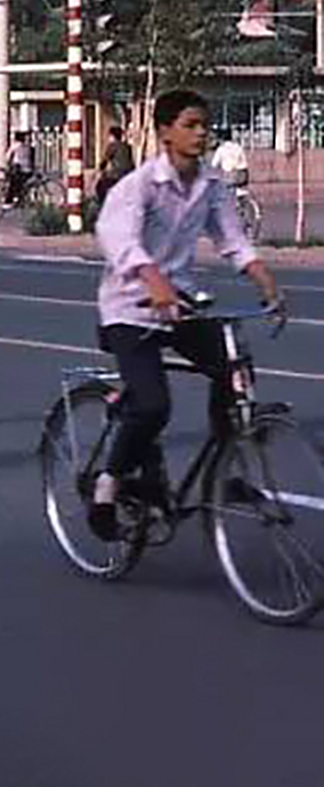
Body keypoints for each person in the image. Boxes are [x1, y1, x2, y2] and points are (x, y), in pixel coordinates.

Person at [89, 88, 283, 541]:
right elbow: (117, 237)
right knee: (153, 405)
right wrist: (151, 279)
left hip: (181, 305)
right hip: (130, 310)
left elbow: (231, 239)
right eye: (190, 125)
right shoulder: (138, 186)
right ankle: (108, 482)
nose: (200, 134)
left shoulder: (211, 186)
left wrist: (262, 276)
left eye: (204, 126)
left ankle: (229, 463)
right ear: (164, 132)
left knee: (233, 368)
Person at [94, 124, 135, 204]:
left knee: (100, 187)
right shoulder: (127, 147)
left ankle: (104, 206)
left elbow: (104, 161)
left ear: (112, 136)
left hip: (116, 175)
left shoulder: (112, 146)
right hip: (129, 175)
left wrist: (100, 169)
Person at [3, 131, 36, 206]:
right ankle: (19, 198)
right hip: (28, 169)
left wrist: (8, 164)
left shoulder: (15, 146)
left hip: (19, 168)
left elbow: (7, 156)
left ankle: (9, 200)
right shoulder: (28, 146)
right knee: (21, 183)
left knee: (14, 183)